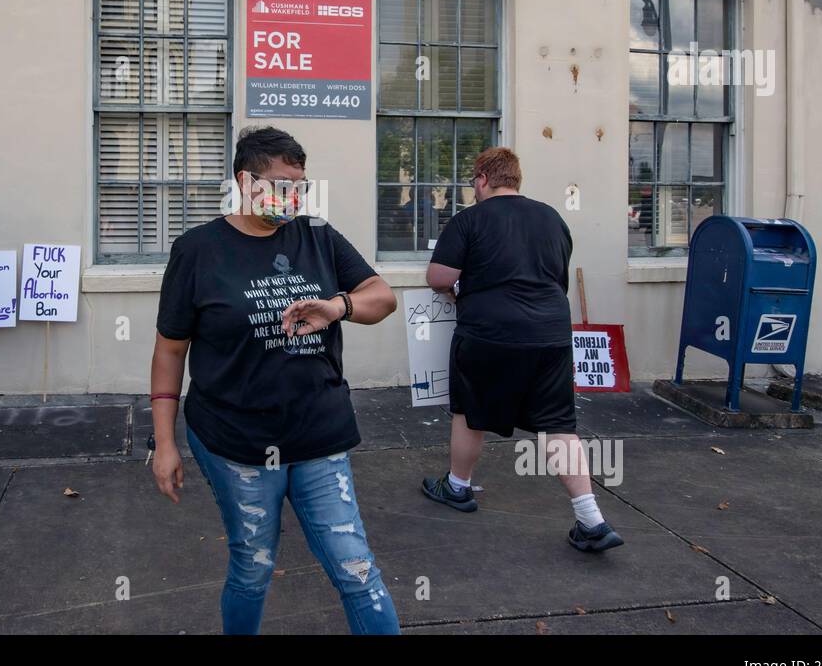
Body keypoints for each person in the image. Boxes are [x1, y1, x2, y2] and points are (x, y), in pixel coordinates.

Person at [150, 126, 401, 634]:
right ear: (246, 181)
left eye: (300, 185)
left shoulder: (318, 237)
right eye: (283, 184)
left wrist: (338, 306)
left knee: (356, 568)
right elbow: (170, 350)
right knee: (253, 565)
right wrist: (164, 442)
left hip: (319, 432)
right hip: (234, 439)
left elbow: (383, 296)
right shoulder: (198, 250)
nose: (294, 196)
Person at [419, 146, 624, 553]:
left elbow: (438, 275)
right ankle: (591, 519)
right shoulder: (551, 217)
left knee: (469, 411)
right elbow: (556, 276)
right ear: (515, 178)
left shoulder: (469, 219)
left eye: (472, 183)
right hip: (550, 333)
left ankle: (458, 487)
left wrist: (457, 286)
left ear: (482, 178)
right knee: (558, 425)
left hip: (488, 332)